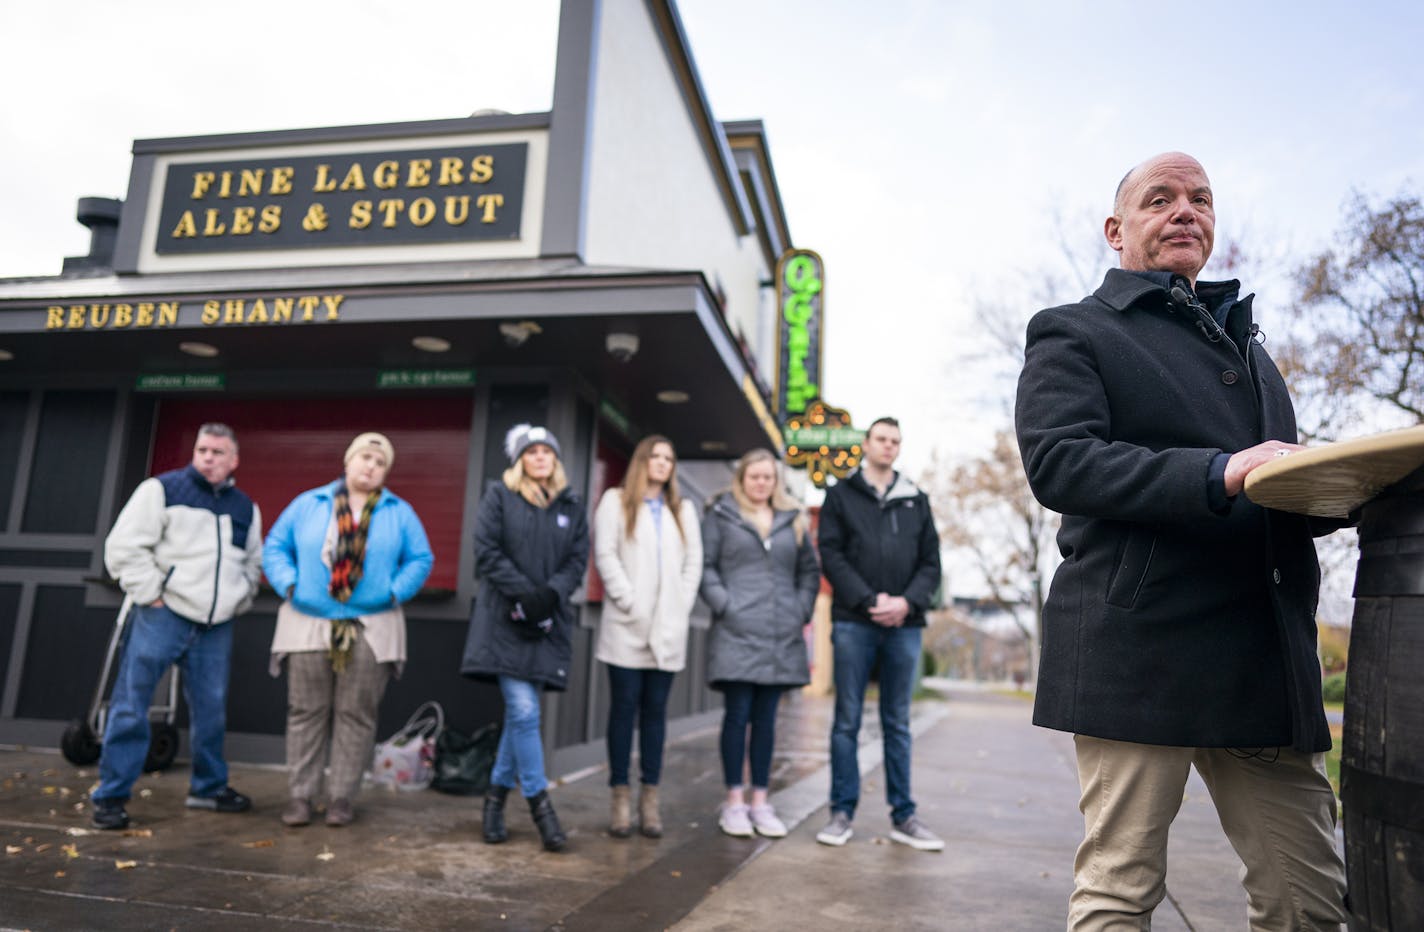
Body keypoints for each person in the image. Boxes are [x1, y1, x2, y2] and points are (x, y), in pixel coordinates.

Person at [1014, 152, 1349, 930]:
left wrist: (1344, 492)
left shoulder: (1253, 354)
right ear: (1115, 228)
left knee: (1310, 901)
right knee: (1121, 889)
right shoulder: (1074, 331)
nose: (1184, 211)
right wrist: (1222, 472)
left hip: (1264, 662)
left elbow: (1267, 488)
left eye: (1200, 199)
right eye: (1158, 199)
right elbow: (1061, 463)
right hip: (1142, 652)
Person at [91, 423, 262, 830]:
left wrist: (240, 597)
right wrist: (152, 593)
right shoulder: (161, 490)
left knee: (211, 710)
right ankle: (111, 795)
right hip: (163, 614)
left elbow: (252, 563)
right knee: (132, 704)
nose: (208, 457)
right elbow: (123, 546)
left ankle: (207, 788)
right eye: (202, 449)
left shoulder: (245, 507)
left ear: (234, 460)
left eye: (218, 452)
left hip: (215, 625)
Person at [262, 432, 433, 828]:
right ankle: (300, 796)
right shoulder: (309, 503)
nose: (370, 466)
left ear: (385, 471)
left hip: (370, 626)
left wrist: (393, 591)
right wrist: (289, 584)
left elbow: (420, 558)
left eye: (379, 461)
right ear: (347, 461)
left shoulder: (398, 512)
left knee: (356, 714)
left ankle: (341, 797)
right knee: (305, 711)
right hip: (307, 623)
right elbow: (275, 546)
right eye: (364, 457)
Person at [814, 417, 943, 851]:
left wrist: (905, 603)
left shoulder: (916, 501)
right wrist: (870, 600)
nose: (888, 447)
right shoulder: (839, 495)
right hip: (854, 620)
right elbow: (830, 554)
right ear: (866, 444)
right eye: (881, 439)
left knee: (897, 722)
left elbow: (931, 564)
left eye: (895, 441)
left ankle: (903, 816)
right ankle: (841, 812)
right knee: (846, 720)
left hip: (904, 625)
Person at [461, 424, 590, 852]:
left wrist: (549, 594)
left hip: (546, 623)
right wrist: (524, 593)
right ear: (520, 460)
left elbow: (576, 560)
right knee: (523, 709)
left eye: (546, 452)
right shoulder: (500, 496)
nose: (540, 458)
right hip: (504, 619)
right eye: (531, 452)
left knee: (520, 718)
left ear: (555, 460)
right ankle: (540, 805)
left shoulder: (571, 505)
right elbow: (486, 549)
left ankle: (494, 802)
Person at [700, 449, 819, 839]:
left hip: (780, 635)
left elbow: (808, 572)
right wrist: (725, 605)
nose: (761, 483)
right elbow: (706, 566)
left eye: (768, 477)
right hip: (735, 631)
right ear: (742, 478)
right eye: (754, 476)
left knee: (767, 720)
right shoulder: (721, 515)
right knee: (737, 716)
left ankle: (760, 802)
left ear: (775, 480)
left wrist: (799, 611)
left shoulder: (794, 519)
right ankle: (734, 801)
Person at [592, 435, 702, 839]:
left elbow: (694, 564)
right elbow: (605, 554)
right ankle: (620, 796)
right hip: (626, 625)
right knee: (624, 709)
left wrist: (679, 607)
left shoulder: (682, 510)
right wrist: (628, 601)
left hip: (668, 628)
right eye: (655, 456)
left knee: (655, 714)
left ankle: (649, 799)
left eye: (669, 458)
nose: (662, 463)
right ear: (642, 461)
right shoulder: (615, 502)